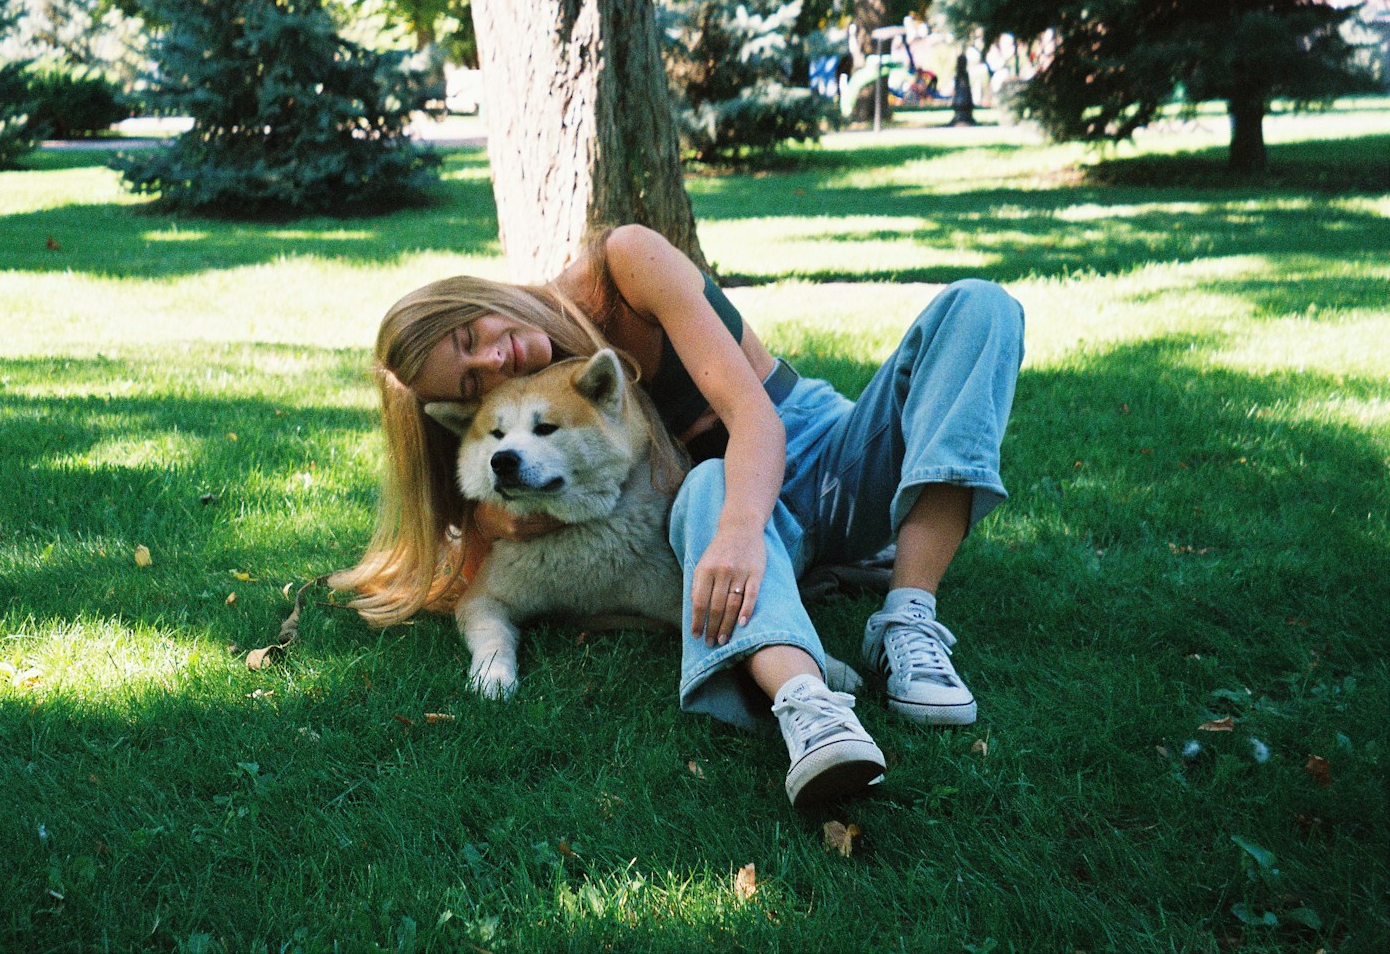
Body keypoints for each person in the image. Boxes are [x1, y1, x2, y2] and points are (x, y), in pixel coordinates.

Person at [329, 223, 1024, 807]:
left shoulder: (623, 264)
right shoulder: (532, 416)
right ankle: (808, 707)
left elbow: (757, 419)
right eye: (474, 381)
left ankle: (908, 616)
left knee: (981, 305)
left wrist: (743, 530)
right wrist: (490, 521)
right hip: (723, 503)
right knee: (709, 487)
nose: (494, 358)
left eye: (468, 335)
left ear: (473, 295)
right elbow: (491, 512)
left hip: (812, 449)